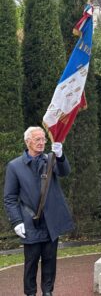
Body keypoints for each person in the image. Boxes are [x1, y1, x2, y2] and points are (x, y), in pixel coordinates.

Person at [3, 126, 74, 296]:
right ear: (27, 142)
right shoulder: (14, 166)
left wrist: (60, 155)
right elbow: (10, 198)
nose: (42, 143)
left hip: (50, 222)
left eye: (44, 139)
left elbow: (65, 172)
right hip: (30, 222)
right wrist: (16, 221)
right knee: (31, 263)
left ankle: (48, 292)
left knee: (50, 261)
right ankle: (30, 293)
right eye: (37, 139)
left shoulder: (50, 160)